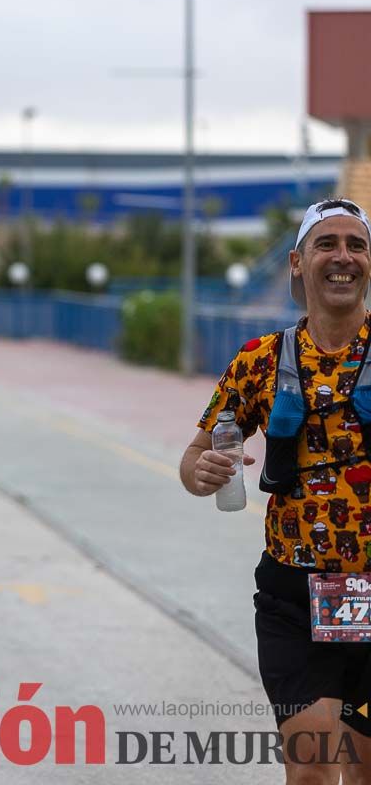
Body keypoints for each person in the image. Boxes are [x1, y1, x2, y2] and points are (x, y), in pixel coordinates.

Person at [180, 198, 371, 783]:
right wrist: (204, 471)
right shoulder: (259, 361)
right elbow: (193, 461)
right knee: (312, 768)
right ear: (296, 261)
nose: (343, 257)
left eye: (357, 245)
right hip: (295, 594)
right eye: (327, 244)